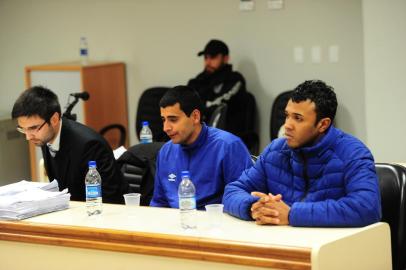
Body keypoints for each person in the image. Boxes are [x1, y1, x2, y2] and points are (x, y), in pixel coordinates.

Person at [223, 80, 381, 227]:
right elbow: (232, 192)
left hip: (331, 250)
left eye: (298, 118)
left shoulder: (353, 153)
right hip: (283, 244)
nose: (287, 126)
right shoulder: (275, 151)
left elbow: (367, 208)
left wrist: (292, 214)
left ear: (323, 124)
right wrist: (254, 206)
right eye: (287, 116)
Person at [11, 86, 127, 203]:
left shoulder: (90, 145)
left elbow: (109, 199)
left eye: (33, 128)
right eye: (23, 129)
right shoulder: (45, 137)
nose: (28, 137)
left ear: (54, 119)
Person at [150, 85, 252, 209]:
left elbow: (244, 201)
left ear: (195, 117)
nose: (166, 128)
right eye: (163, 120)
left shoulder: (228, 147)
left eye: (173, 119)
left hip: (216, 225)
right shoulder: (166, 152)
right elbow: (159, 203)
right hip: (174, 224)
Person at [187, 39, 248, 135]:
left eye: (213, 57)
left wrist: (198, 110)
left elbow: (220, 107)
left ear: (226, 58)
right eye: (206, 57)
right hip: (195, 135)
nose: (208, 62)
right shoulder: (198, 80)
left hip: (223, 137)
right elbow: (185, 105)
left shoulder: (235, 79)